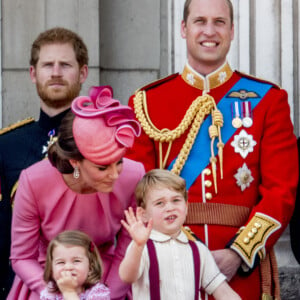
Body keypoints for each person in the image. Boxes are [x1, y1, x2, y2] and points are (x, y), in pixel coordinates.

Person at [126, 0, 298, 298]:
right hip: (169, 269)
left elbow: (281, 193)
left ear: (232, 31)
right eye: (199, 21)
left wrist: (239, 254)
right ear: (184, 28)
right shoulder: (146, 103)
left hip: (241, 271)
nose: (209, 30)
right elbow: (135, 191)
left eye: (219, 22)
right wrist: (179, 251)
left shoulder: (269, 100)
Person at [8, 86, 145, 300]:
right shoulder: (34, 181)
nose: (115, 175)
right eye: (102, 167)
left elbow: (128, 250)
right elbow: (21, 258)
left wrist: (106, 295)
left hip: (108, 278)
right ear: (75, 162)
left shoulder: (133, 175)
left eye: (119, 162)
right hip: (46, 281)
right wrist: (54, 294)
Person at [0, 27, 89, 298]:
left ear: (83, 73)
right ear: (33, 73)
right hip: (21, 288)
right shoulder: (6, 145)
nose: (56, 72)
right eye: (47, 64)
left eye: (65, 64)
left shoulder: (102, 143)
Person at [119, 169, 241, 300]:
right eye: (160, 203)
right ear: (143, 214)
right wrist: (138, 246)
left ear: (186, 206)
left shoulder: (199, 250)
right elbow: (127, 276)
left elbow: (223, 292)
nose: (170, 208)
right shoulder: (142, 247)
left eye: (176, 200)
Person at [40, 230, 110, 300]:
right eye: (61, 262)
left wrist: (69, 292)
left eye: (76, 261)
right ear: (52, 269)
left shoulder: (98, 292)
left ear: (90, 267)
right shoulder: (49, 292)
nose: (68, 267)